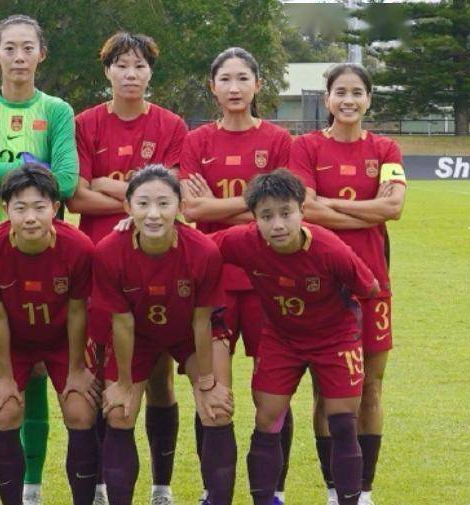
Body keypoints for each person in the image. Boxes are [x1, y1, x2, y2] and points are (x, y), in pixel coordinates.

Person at [0, 14, 79, 505]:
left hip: (44, 264)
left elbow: (66, 182)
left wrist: (11, 179)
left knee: (38, 376)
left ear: (41, 54)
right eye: (10, 48)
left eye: (28, 47)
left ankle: (31, 486)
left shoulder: (57, 110)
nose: (19, 57)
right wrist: (34, 175)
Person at [66, 33, 188, 504]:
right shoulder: (86, 123)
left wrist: (107, 184)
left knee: (157, 377)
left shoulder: (171, 125)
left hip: (156, 261)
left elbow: (172, 199)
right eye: (121, 65)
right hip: (100, 260)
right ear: (107, 72)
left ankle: (161, 485)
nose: (130, 74)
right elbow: (77, 197)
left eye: (139, 65)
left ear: (151, 72)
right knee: (103, 375)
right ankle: (100, 483)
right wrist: (143, 200)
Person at [208, 169, 379, 505]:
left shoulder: (330, 249)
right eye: (266, 216)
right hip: (281, 339)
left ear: (302, 210)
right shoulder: (242, 241)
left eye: (286, 213)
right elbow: (194, 247)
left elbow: (369, 287)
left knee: (343, 423)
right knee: (267, 418)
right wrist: (139, 226)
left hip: (336, 338)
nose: (278, 225)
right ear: (254, 218)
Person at [178, 47, 292, 505]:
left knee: (274, 396)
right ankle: (215, 493)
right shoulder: (197, 141)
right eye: (225, 79)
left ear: (258, 85)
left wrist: (218, 206)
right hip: (214, 281)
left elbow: (282, 212)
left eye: (243, 78)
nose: (234, 87)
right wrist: (253, 205)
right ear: (213, 86)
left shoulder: (279, 140)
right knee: (214, 394)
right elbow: (191, 209)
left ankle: (273, 492)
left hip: (270, 281)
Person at [289, 63, 406, 505]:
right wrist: (366, 210)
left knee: (371, 387)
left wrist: (330, 204)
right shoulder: (305, 147)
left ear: (369, 99)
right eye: (340, 92)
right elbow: (305, 210)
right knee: (327, 391)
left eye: (357, 92)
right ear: (328, 99)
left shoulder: (386, 148)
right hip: (320, 284)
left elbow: (393, 209)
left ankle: (365, 490)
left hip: (372, 282)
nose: (349, 100)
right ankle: (334, 489)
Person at [93, 166, 236, 505]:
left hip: (189, 332)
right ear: (127, 207)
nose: (154, 214)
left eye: (163, 203)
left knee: (217, 408)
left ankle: (211, 498)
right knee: (119, 412)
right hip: (138, 334)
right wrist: (123, 383)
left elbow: (202, 321)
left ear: (180, 206)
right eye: (143, 203)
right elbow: (122, 324)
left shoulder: (202, 251)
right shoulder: (109, 251)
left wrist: (206, 381)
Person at [0, 165, 99, 505]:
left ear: (55, 208)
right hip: (13, 343)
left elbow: (78, 311)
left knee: (81, 410)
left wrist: (76, 370)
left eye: (39, 207)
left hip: (62, 341)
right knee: (5, 410)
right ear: (5, 208)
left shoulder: (78, 247)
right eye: (20, 207)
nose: (30, 217)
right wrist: (4, 377)